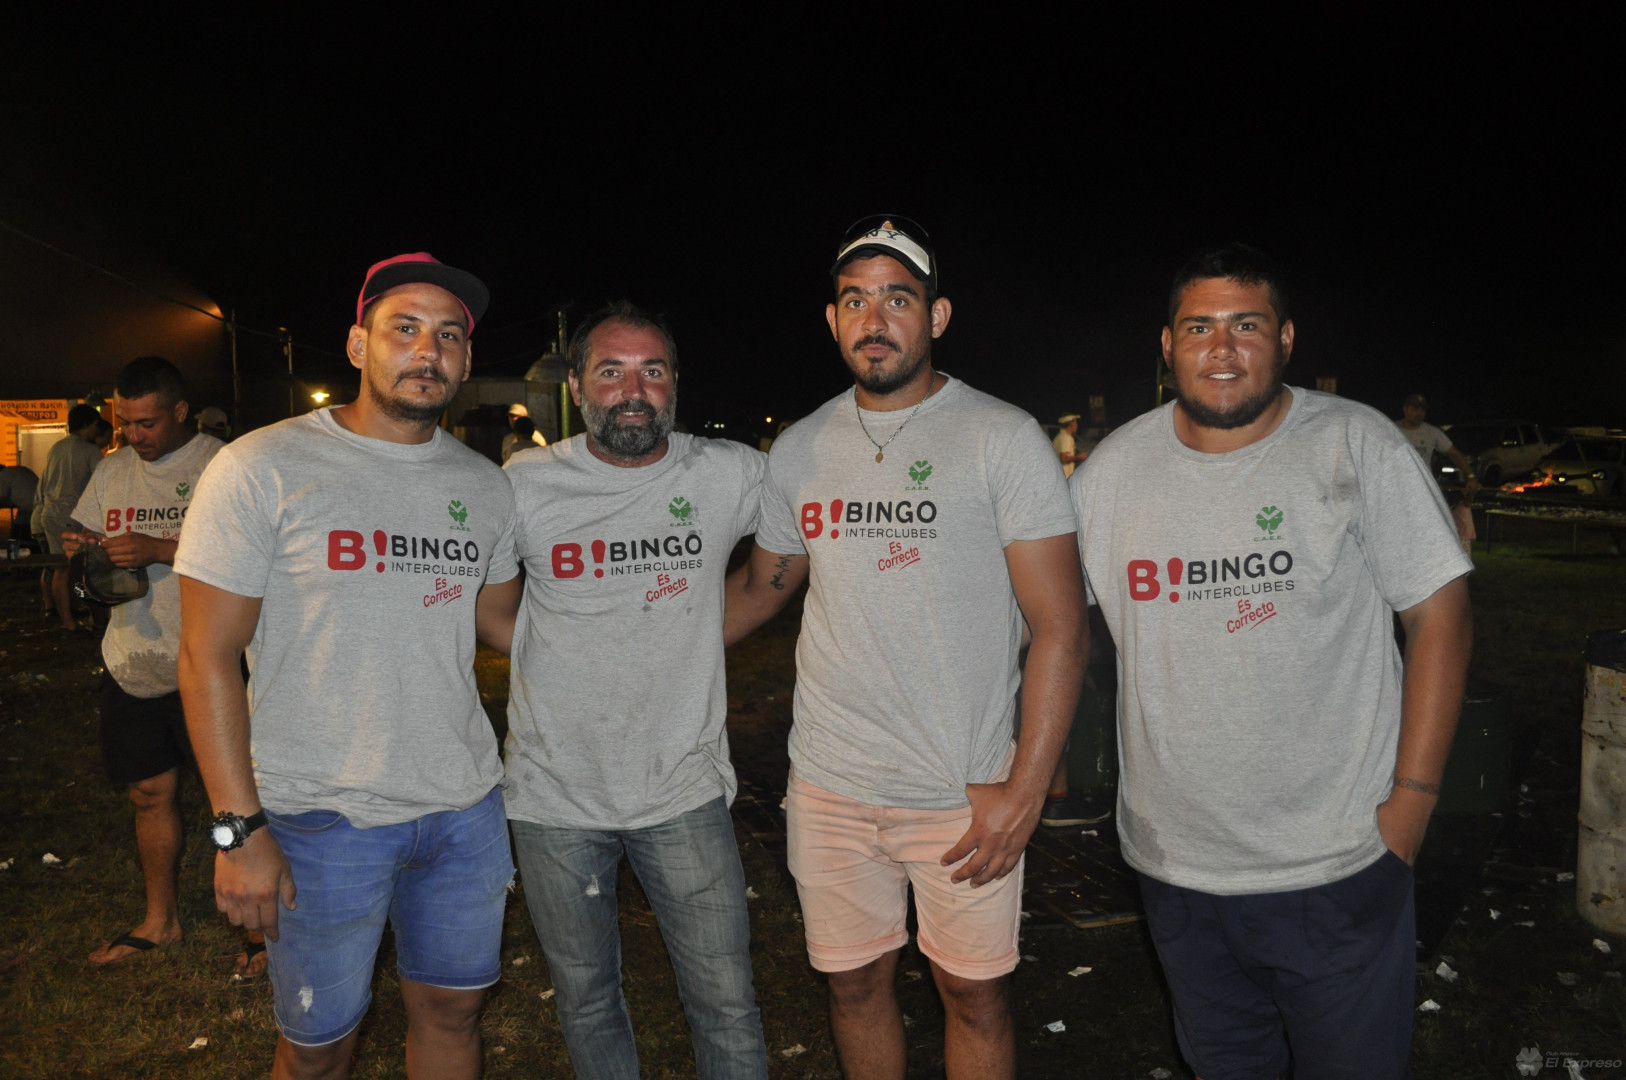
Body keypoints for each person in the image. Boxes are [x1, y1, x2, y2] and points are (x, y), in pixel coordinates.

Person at [1072, 243, 1473, 1079]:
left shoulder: (1355, 444)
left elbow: (1440, 616)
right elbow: (1047, 624)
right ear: (1167, 344)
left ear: (1285, 339)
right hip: (1175, 865)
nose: (1222, 348)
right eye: (1199, 328)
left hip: (1336, 861)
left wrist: (1412, 802)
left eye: (1246, 326)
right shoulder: (1111, 474)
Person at [726, 216, 1087, 1080]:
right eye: (855, 300)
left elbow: (1062, 625)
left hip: (961, 792)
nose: (875, 319)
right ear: (832, 320)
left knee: (976, 996)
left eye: (898, 298)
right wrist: (634, 641)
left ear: (938, 315)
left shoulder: (1001, 436)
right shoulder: (802, 447)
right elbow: (761, 589)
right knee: (853, 987)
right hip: (831, 785)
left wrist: (1024, 790)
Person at [176, 252, 520, 1080]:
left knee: (453, 1012)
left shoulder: (486, 487)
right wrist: (238, 830)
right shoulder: (262, 466)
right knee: (318, 1048)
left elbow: (504, 624)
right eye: (405, 328)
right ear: (359, 345)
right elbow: (205, 656)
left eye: (449, 336)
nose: (428, 351)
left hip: (462, 807)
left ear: (466, 360)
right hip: (316, 816)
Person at [492, 300, 769, 1080]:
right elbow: (492, 609)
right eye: (611, 372)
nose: (633, 391)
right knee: (586, 1001)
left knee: (726, 1003)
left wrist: (693, 632)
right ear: (577, 387)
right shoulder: (525, 483)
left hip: (682, 787)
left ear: (675, 382)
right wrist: (576, 648)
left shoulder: (729, 472)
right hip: (552, 795)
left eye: (652, 370)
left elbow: (786, 557)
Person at [64, 357, 227, 965]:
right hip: (132, 657)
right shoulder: (112, 469)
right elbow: (82, 530)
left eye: (147, 423)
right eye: (124, 423)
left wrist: (159, 547)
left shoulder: (221, 465)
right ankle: (162, 920)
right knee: (148, 793)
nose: (134, 435)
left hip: (210, 660)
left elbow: (251, 553)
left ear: (180, 411)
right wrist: (83, 545)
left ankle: (256, 928)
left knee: (232, 798)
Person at [35, 403, 105, 632]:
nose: (97, 430)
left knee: (60, 568)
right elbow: (103, 481)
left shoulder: (56, 447)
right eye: (95, 425)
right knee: (78, 569)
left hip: (50, 513)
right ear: (87, 424)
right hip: (71, 515)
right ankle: (85, 621)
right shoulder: (89, 450)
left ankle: (67, 619)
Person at [1398, 392, 1470, 479]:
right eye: (1415, 409)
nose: (1419, 413)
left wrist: (1470, 476)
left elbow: (1454, 454)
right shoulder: (1393, 430)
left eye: (1423, 410)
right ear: (1405, 409)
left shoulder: (1431, 432)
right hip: (1397, 482)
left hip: (1422, 483)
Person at [1052, 413, 1082, 478]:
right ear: (1071, 424)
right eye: (1075, 422)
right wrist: (1079, 457)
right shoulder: (1065, 438)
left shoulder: (1063, 436)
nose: (1077, 425)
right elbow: (1063, 458)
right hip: (1064, 477)